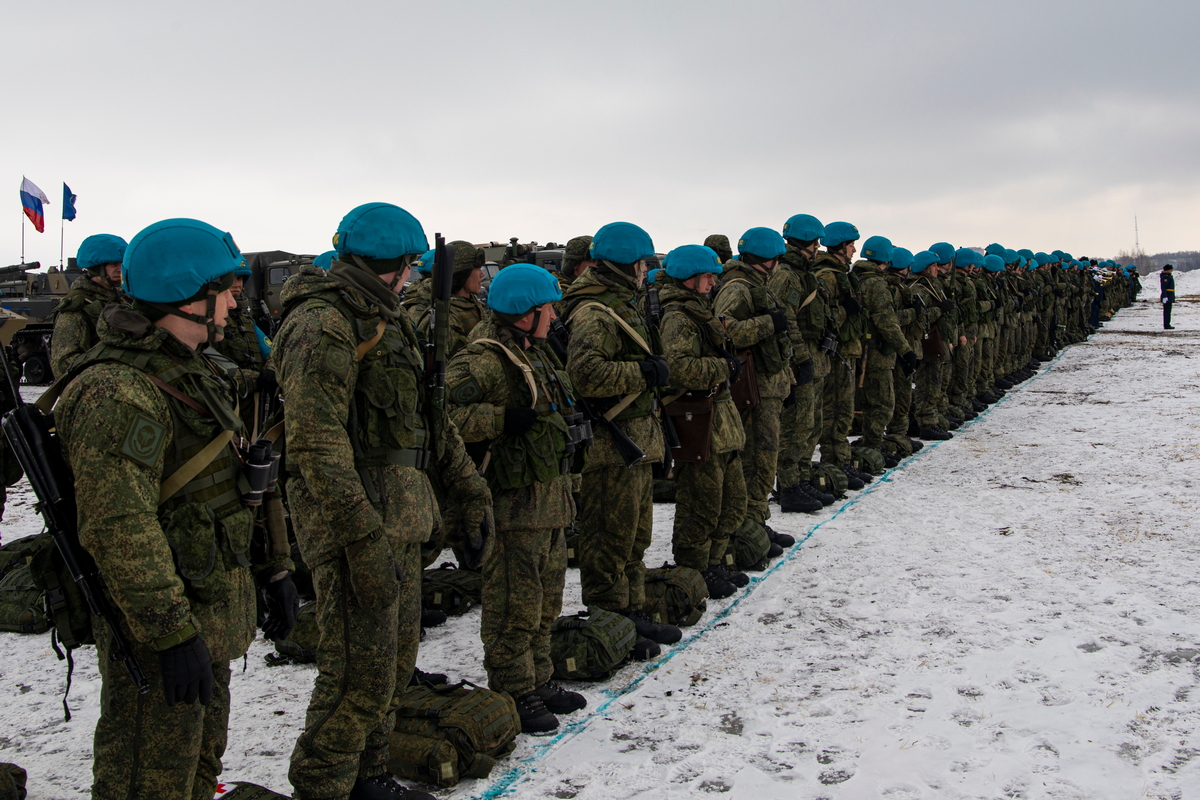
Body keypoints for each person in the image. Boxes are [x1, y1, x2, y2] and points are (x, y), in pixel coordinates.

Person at [55, 218, 299, 800]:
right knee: (150, 780)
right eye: (225, 288)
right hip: (163, 628)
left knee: (194, 773)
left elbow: (233, 482)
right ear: (189, 296)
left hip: (206, 608)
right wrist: (169, 634)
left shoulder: (192, 369)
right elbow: (119, 526)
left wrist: (276, 568)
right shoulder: (118, 390)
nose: (237, 298)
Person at [275, 203, 492, 800]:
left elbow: (429, 415)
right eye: (408, 265)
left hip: (398, 516)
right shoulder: (323, 323)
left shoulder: (382, 316)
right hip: (355, 523)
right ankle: (323, 784)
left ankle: (368, 774)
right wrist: (361, 538)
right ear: (395, 263)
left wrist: (469, 489)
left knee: (392, 667)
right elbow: (315, 443)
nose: (412, 275)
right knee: (354, 675)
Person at [445, 263, 587, 734]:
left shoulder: (537, 352)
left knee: (546, 600)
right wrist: (499, 419)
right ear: (524, 313)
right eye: (547, 308)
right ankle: (512, 686)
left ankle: (538, 678)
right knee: (513, 605)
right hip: (512, 505)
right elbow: (441, 417)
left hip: (548, 498)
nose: (554, 316)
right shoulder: (485, 358)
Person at [563, 221, 680, 648]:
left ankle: (629, 610)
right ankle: (608, 617)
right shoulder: (595, 311)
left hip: (634, 436)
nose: (647, 271)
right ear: (629, 264)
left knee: (635, 533)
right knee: (608, 538)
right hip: (611, 442)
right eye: (643, 263)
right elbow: (586, 374)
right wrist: (643, 371)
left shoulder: (623, 302)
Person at [658, 244, 748, 599]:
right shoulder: (678, 317)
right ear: (689, 279)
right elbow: (677, 369)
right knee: (701, 504)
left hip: (720, 420)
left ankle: (712, 561)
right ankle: (693, 569)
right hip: (699, 420)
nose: (713, 282)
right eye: (708, 276)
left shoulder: (700, 309)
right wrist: (723, 367)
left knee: (730, 500)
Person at [713, 227, 795, 548]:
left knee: (762, 460)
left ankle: (755, 524)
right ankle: (748, 527)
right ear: (769, 259)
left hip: (767, 389)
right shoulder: (738, 288)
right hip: (754, 391)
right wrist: (769, 324)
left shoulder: (754, 285)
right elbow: (725, 332)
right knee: (758, 461)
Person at [771, 214, 828, 512]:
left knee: (812, 422)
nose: (819, 248)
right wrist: (801, 359)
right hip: (799, 359)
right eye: (816, 242)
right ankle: (789, 486)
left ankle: (801, 478)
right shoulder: (788, 274)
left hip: (812, 356)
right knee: (797, 425)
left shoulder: (804, 272)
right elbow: (786, 319)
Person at [851, 236, 917, 462]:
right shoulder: (876, 283)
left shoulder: (856, 277)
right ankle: (873, 445)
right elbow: (887, 321)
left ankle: (871, 443)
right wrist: (905, 350)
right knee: (882, 402)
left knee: (870, 399)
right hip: (877, 352)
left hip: (860, 348)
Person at [48, 233, 130, 378]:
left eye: (122, 264)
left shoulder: (123, 300)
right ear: (96, 267)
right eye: (113, 264)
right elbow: (64, 364)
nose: (119, 269)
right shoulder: (77, 307)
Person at [416, 240, 487, 358]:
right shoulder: (445, 316)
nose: (482, 274)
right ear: (463, 274)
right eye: (477, 269)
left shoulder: (472, 303)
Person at [1161, 264, 1175, 329]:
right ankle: (1166, 324)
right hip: (1168, 295)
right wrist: (1165, 296)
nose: (1172, 270)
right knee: (1167, 311)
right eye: (1170, 269)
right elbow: (1163, 287)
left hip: (1170, 294)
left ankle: (1167, 323)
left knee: (1168, 310)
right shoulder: (1165, 277)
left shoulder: (1168, 276)